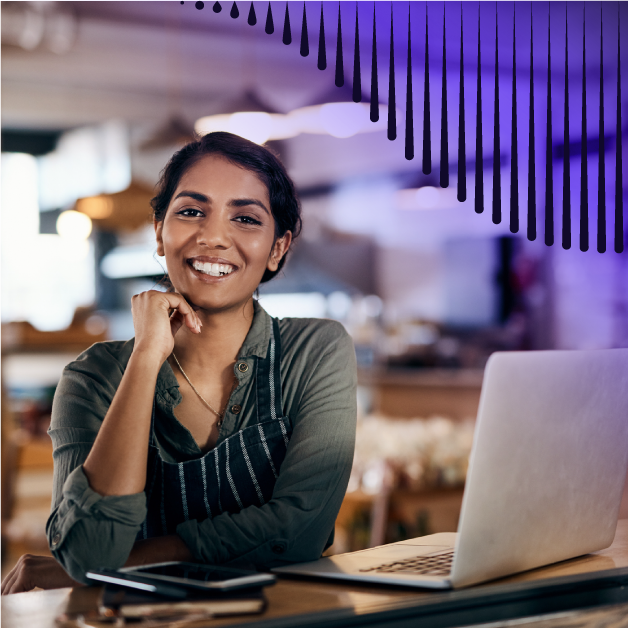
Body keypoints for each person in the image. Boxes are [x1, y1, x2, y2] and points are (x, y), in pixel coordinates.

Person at [0, 132, 357, 594]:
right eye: (191, 211)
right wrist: (146, 357)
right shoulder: (92, 378)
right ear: (158, 233)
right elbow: (89, 550)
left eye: (246, 218)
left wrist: (128, 562)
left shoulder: (314, 350)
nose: (213, 236)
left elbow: (298, 532)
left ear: (277, 248)